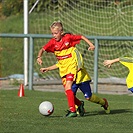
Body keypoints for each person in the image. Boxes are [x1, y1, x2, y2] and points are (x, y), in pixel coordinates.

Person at [37, 21, 109, 117]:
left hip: (80, 76)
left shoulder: (72, 48)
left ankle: (102, 103)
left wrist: (91, 45)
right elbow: (59, 62)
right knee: (69, 93)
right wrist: (41, 60)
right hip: (66, 73)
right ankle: (78, 106)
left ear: (61, 32)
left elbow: (81, 39)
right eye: (52, 33)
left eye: (56, 33)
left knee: (88, 97)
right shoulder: (55, 46)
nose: (54, 35)